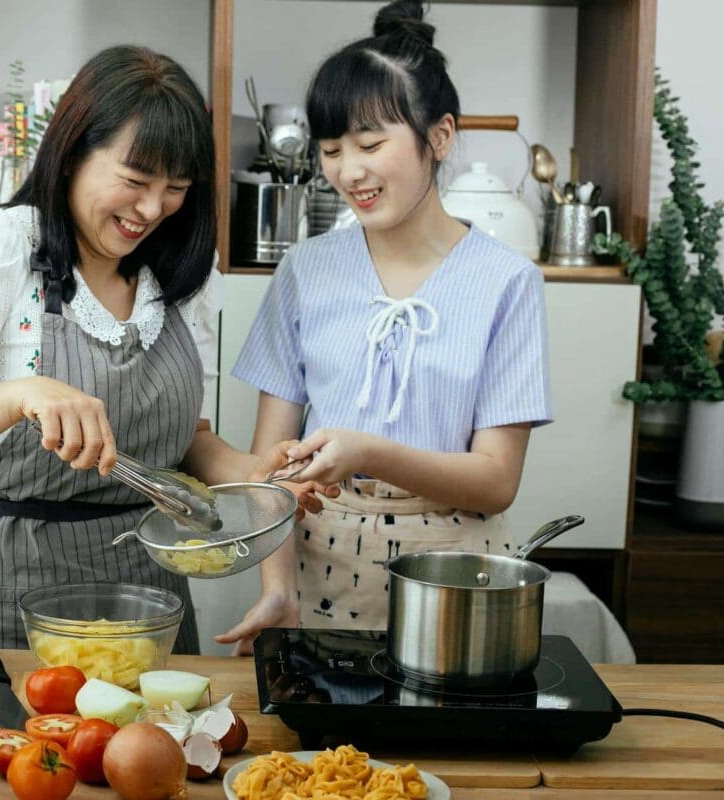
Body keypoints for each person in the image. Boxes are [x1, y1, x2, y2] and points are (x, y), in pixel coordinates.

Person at [0, 45, 325, 652]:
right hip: (7, 599)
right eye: (134, 180)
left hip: (149, 600)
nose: (152, 209)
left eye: (175, 188)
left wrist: (253, 478)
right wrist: (24, 393)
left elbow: (192, 442)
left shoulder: (179, 280)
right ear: (73, 154)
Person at [217, 0, 552, 652]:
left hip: (459, 578)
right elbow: (272, 471)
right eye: (333, 149)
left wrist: (369, 450)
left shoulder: (506, 282)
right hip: (320, 570)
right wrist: (276, 588)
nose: (348, 171)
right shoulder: (304, 271)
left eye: (371, 144)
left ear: (441, 136)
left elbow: (496, 481)